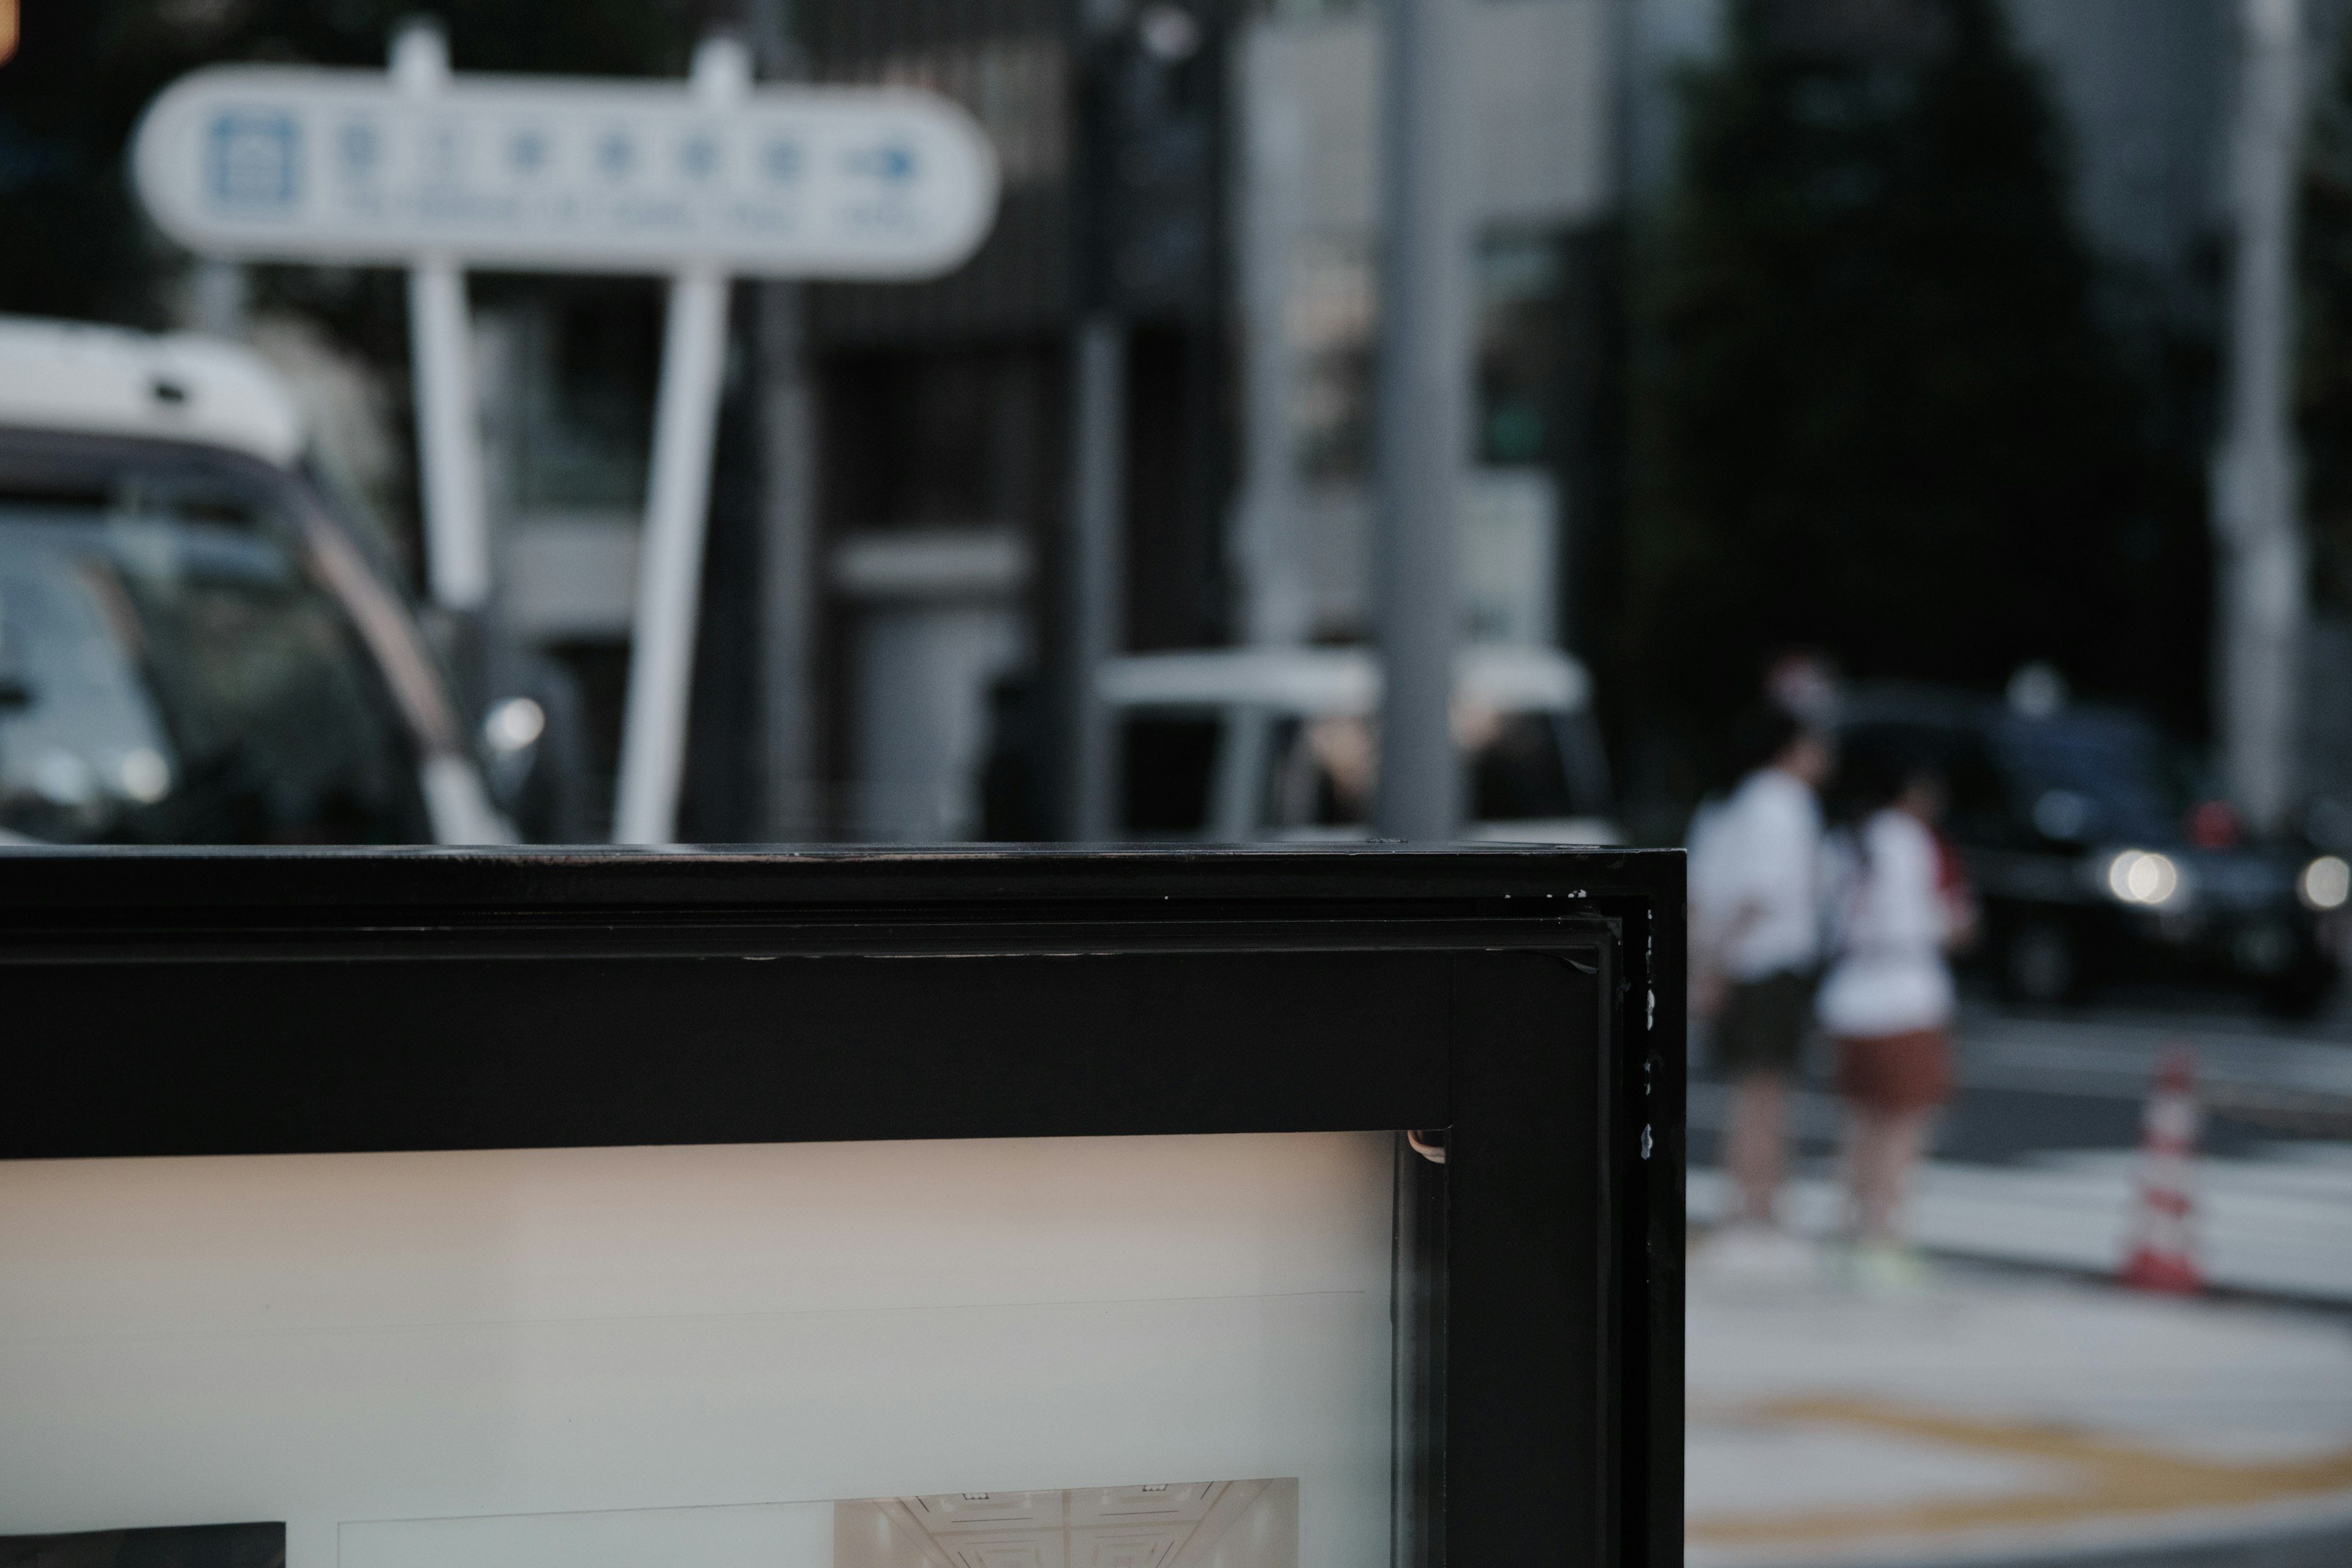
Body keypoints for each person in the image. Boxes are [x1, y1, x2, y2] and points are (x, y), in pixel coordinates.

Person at [1816, 756, 1976, 1291]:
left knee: (1860, 1124)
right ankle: (1886, 1240)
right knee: (1904, 1126)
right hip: (1906, 994)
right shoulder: (1916, 840)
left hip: (1848, 996)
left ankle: (1846, 1233)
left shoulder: (1844, 840)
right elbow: (1950, 921)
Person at [1690, 705, 1833, 1269]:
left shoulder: (1736, 800)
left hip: (1744, 962)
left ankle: (1745, 1205)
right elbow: (1760, 894)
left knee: (1751, 1093)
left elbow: (1708, 888)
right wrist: (1716, 965)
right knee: (1768, 1095)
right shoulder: (1783, 802)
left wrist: (1707, 961)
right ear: (1792, 749)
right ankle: (1761, 1209)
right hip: (1768, 964)